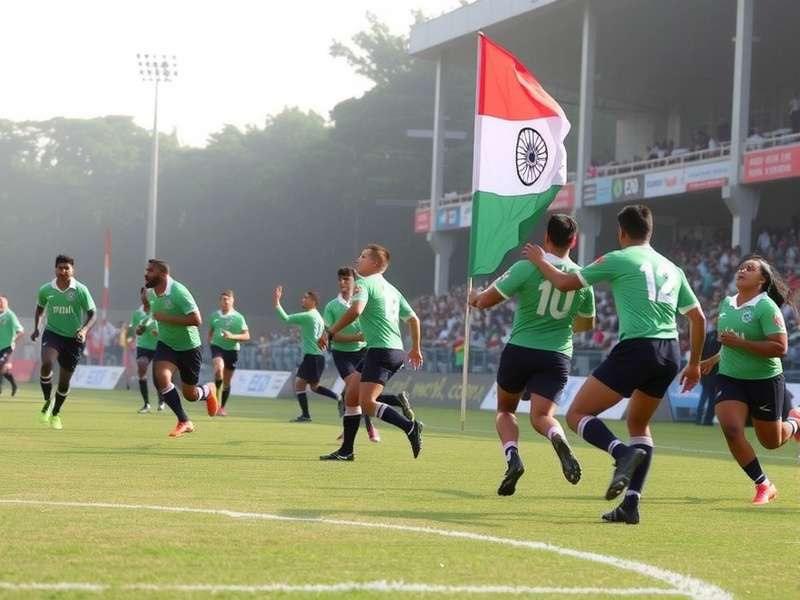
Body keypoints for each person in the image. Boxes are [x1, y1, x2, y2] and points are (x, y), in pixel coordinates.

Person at [524, 205, 705, 524]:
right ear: (650, 231)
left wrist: (539, 261)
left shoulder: (618, 259)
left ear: (622, 233)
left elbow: (565, 284)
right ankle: (631, 505)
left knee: (577, 414)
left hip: (638, 346)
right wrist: (694, 365)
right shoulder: (672, 268)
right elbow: (698, 317)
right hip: (671, 352)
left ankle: (621, 454)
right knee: (639, 425)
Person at [470, 215, 595, 495]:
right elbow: (585, 325)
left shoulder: (526, 267)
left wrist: (473, 297)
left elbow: (485, 301)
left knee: (505, 410)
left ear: (546, 238)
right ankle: (557, 437)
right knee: (542, 416)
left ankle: (513, 458)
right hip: (557, 355)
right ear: (574, 241)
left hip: (521, 349)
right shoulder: (582, 278)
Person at [699, 256, 800, 505]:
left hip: (764, 380)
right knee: (732, 430)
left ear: (762, 280)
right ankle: (763, 484)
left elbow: (780, 347)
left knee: (772, 442)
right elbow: (732, 342)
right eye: (741, 267)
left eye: (750, 268)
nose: (742, 270)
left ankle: (796, 421)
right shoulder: (726, 303)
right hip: (730, 378)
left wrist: (741, 344)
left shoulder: (766, 307)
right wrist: (715, 358)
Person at [318, 244, 424, 461]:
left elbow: (356, 310)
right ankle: (346, 451)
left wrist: (329, 332)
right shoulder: (392, 289)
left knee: (367, 403)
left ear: (375, 264)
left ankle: (410, 427)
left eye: (364, 256)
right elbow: (414, 319)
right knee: (352, 395)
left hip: (381, 351)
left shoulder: (364, 283)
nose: (358, 259)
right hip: (388, 350)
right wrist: (415, 348)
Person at [145, 259, 218, 437]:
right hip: (166, 344)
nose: (146, 274)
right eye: (146, 271)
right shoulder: (151, 293)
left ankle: (208, 390)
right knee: (161, 378)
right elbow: (155, 313)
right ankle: (184, 420)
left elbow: (196, 320)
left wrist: (166, 318)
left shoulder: (179, 291)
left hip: (189, 348)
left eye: (150, 271)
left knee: (190, 395)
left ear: (163, 274)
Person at [32, 255, 97, 429]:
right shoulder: (46, 290)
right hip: (52, 333)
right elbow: (39, 309)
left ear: (72, 270)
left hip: (74, 340)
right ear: (55, 269)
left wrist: (83, 330)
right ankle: (47, 401)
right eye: (60, 268)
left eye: (67, 268)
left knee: (64, 382)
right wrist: (37, 328)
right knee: (46, 363)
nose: (63, 271)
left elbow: (92, 314)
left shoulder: (80, 290)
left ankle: (56, 413)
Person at [274, 286, 341, 422]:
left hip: (313, 357)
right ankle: (338, 398)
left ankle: (306, 415)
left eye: (306, 298)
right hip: (317, 357)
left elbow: (286, 318)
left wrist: (277, 302)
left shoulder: (308, 316)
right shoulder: (318, 317)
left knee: (299, 384)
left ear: (313, 301)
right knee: (314, 387)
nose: (302, 300)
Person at [207, 290, 250, 416]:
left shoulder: (238, 317)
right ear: (220, 301)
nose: (225, 301)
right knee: (218, 369)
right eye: (223, 299)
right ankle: (214, 399)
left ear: (232, 300)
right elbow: (210, 332)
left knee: (226, 381)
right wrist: (210, 343)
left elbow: (247, 336)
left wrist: (232, 336)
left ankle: (222, 407)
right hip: (217, 347)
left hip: (232, 350)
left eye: (228, 299)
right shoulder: (214, 315)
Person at [129, 287, 162, 413]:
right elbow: (134, 330)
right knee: (141, 366)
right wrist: (138, 330)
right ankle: (146, 404)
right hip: (143, 346)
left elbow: (167, 326)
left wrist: (158, 332)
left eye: (149, 294)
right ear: (141, 296)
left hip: (159, 345)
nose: (146, 296)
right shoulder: (137, 313)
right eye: (144, 294)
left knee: (157, 377)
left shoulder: (158, 310)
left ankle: (162, 400)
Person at [696, 314, 721, 426]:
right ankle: (700, 419)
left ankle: (707, 420)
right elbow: (702, 353)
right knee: (706, 396)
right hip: (707, 371)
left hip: (716, 372)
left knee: (711, 397)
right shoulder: (709, 335)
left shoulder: (722, 336)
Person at [0, 296, 24, 397]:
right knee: (3, 369)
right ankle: (14, 385)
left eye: (1, 302)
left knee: (0, 365)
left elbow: (21, 331)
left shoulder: (10, 315)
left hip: (7, 347)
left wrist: (13, 340)